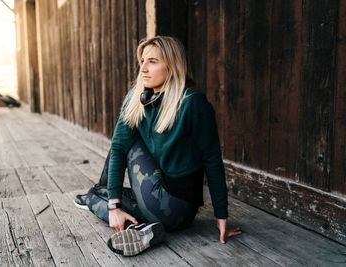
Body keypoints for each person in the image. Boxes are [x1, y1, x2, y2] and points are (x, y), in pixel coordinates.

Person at [74, 36, 242, 256]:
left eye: (152, 61)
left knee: (110, 170)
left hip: (168, 202)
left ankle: (108, 203)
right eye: (142, 61)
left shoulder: (191, 102)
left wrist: (113, 207)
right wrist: (221, 217)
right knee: (117, 154)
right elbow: (213, 160)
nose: (143, 68)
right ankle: (147, 228)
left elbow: (211, 159)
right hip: (184, 215)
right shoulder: (140, 99)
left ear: (172, 66)